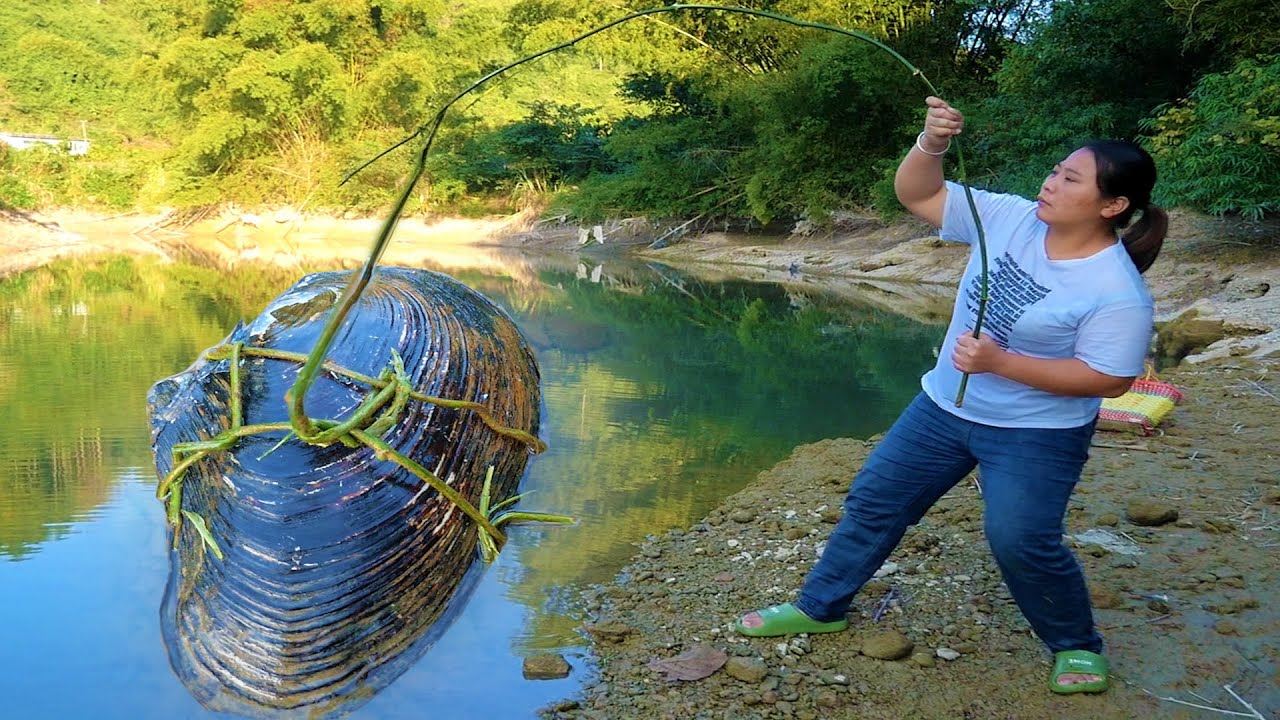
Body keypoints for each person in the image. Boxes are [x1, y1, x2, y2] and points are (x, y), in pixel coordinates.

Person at [734, 96, 1168, 696]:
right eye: (1054, 170)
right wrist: (931, 142)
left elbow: (1111, 378)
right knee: (874, 501)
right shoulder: (1013, 218)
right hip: (942, 409)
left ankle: (1076, 646)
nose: (1050, 182)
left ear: (1112, 205)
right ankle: (820, 606)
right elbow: (918, 195)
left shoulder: (1115, 288)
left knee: (1020, 539)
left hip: (1036, 432)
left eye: (1070, 179)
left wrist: (1002, 363)